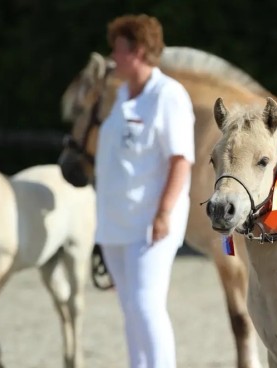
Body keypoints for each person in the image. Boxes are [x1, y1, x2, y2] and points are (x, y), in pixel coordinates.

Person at [94, 14, 195, 368]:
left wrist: (164, 212)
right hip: (116, 224)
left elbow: (181, 160)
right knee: (130, 310)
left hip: (150, 222)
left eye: (117, 50)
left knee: (146, 305)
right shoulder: (122, 94)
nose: (112, 58)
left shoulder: (167, 95)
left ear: (137, 51)